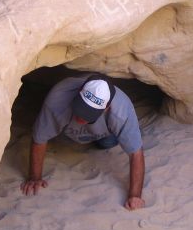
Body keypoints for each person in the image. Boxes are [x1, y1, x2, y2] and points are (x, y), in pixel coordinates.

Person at [20, 74, 145, 210]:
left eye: (89, 114)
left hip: (103, 134)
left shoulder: (122, 110)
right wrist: (34, 177)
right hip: (66, 134)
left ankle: (127, 132)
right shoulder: (58, 98)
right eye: (81, 108)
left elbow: (136, 153)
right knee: (56, 134)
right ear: (80, 91)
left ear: (106, 107)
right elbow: (40, 138)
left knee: (109, 143)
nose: (82, 116)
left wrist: (135, 196)